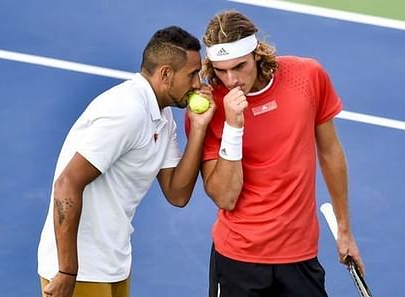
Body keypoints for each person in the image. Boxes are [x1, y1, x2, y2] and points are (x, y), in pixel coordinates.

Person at [186, 10, 365, 297]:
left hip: (299, 255)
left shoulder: (307, 77)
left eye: (239, 66)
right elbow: (225, 197)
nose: (230, 79)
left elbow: (330, 152)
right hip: (238, 260)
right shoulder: (210, 108)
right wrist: (233, 126)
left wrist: (344, 230)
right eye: (220, 70)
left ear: (256, 53)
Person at [37, 26, 215, 297]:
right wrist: (67, 271)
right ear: (166, 74)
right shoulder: (127, 111)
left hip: (114, 264)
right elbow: (67, 183)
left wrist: (199, 128)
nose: (197, 84)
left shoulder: (162, 116)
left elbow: (177, 193)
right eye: (192, 74)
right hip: (81, 270)